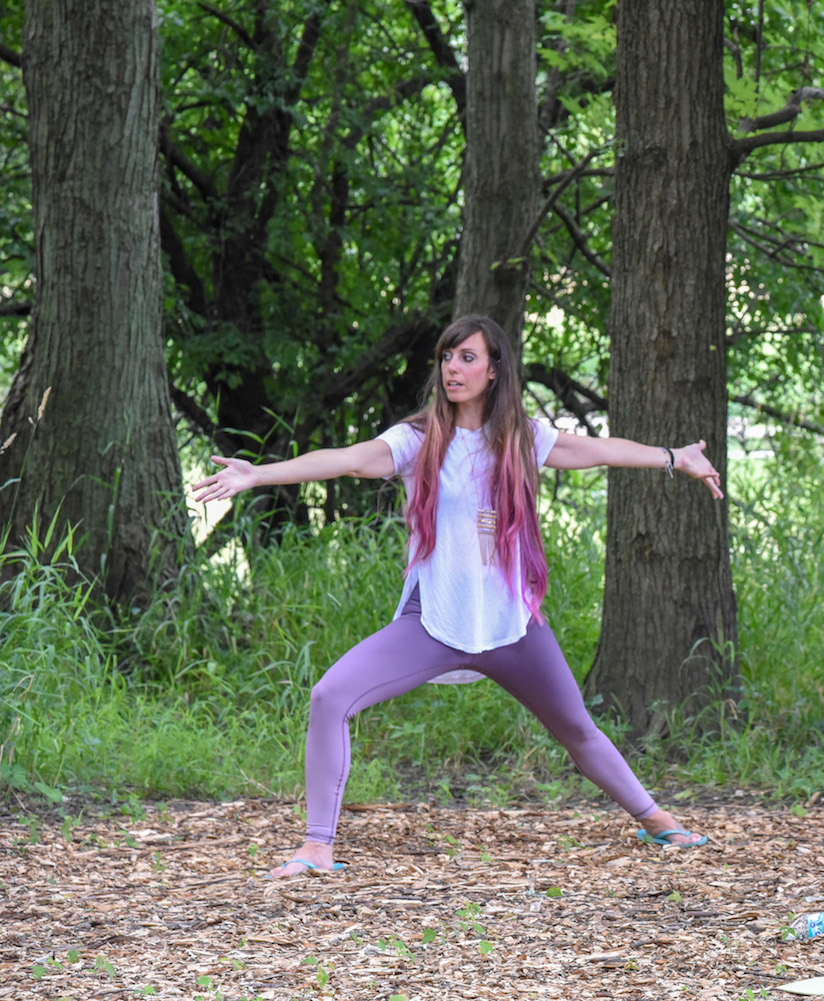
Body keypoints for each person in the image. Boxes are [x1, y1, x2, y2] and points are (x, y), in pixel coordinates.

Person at [193, 314, 723, 878]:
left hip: (511, 626)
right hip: (434, 624)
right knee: (329, 698)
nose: (453, 367)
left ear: (495, 371)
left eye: (468, 357)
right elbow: (346, 459)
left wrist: (674, 456)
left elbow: (598, 450)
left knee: (577, 729)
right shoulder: (416, 440)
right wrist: (259, 475)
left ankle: (656, 820)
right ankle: (317, 846)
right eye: (447, 357)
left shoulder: (522, 437)